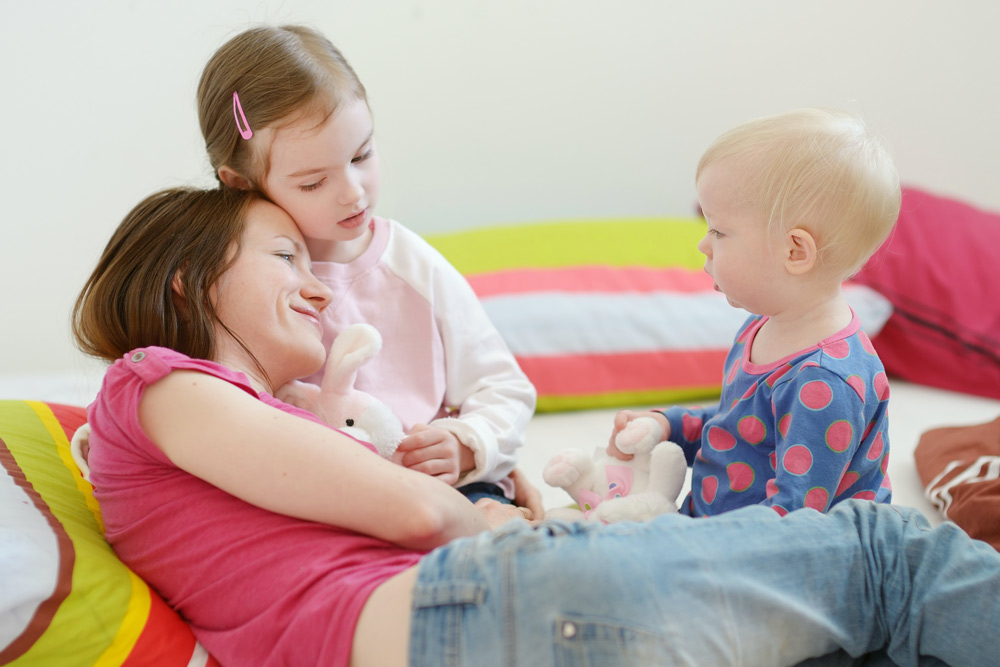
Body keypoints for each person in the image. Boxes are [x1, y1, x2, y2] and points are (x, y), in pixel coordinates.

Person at [73, 184, 1000, 667]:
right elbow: (420, 520)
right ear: (186, 281)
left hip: (470, 620)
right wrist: (488, 515)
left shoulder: (223, 426)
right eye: (284, 255)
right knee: (881, 554)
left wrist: (480, 485)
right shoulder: (155, 383)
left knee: (864, 637)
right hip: (470, 608)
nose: (319, 285)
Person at [196, 24, 536, 503]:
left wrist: (471, 444)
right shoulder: (235, 282)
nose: (353, 192)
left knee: (498, 536)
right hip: (317, 498)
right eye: (313, 182)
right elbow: (194, 393)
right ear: (240, 183)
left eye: (362, 155)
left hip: (437, 489)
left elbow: (502, 386)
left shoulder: (412, 264)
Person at [609, 108, 899, 517]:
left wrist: (680, 543)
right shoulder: (764, 325)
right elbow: (738, 430)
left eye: (719, 231)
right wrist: (667, 425)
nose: (703, 245)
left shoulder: (823, 380)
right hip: (725, 538)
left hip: (781, 561)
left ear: (795, 252)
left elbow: (793, 518)